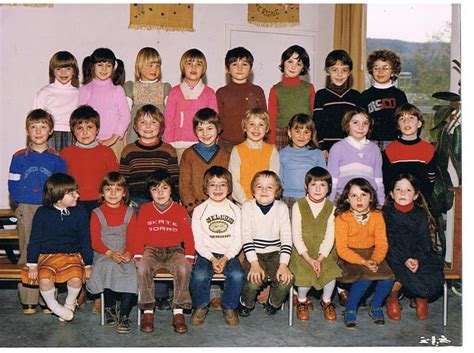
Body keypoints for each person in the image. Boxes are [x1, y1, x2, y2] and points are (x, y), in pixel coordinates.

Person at [8, 109, 67, 314]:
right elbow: (13, 184)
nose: (38, 131)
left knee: (49, 253)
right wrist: (21, 204)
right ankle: (29, 299)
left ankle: (48, 300)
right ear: (27, 130)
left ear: (50, 131)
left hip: (50, 209)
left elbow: (62, 186)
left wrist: (56, 206)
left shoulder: (57, 159)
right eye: (34, 127)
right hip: (27, 209)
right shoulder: (19, 157)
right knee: (26, 251)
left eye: (43, 127)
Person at [21, 173, 93, 322]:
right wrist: (32, 264)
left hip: (71, 254)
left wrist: (87, 264)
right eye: (72, 194)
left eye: (76, 192)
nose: (77, 196)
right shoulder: (42, 213)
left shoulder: (80, 212)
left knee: (76, 277)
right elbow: (34, 240)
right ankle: (54, 307)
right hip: (47, 255)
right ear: (58, 197)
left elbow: (85, 240)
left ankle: (69, 304)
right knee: (45, 280)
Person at [131, 169, 194, 334]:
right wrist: (138, 253)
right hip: (151, 250)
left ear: (171, 190)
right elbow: (139, 233)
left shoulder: (179, 210)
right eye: (155, 189)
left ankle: (178, 312)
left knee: (183, 268)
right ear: (149, 192)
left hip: (175, 250)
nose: (160, 193)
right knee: (143, 267)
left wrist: (189, 255)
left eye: (164, 188)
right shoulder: (145, 209)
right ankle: (148, 311)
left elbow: (188, 234)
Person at [383, 174, 444, 321]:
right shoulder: (385, 214)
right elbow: (387, 242)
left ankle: (421, 298)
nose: (403, 193)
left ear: (416, 195)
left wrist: (416, 259)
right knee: (396, 271)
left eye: (408, 190)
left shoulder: (420, 214)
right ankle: (391, 298)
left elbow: (424, 242)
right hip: (393, 254)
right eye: (398, 189)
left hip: (417, 253)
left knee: (431, 267)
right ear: (391, 194)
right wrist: (404, 259)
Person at [334, 178, 394, 329]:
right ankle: (350, 308)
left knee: (388, 279)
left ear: (371, 197)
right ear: (347, 199)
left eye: (363, 195)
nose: (359, 199)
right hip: (350, 256)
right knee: (365, 278)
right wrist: (363, 262)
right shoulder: (342, 218)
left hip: (373, 254)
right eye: (353, 196)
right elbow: (342, 249)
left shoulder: (377, 216)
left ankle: (375, 306)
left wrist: (375, 259)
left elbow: (382, 243)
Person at [190, 166, 245, 326]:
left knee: (237, 275)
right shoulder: (199, 210)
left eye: (222, 184)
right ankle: (200, 305)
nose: (218, 189)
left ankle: (229, 306)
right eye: (213, 184)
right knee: (199, 275)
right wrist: (212, 258)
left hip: (229, 253)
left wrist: (227, 257)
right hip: (206, 254)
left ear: (229, 188)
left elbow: (238, 239)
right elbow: (197, 240)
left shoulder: (236, 210)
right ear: (206, 189)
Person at [86, 172, 138, 334]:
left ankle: (124, 315)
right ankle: (109, 307)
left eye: (118, 189)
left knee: (130, 270)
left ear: (124, 193)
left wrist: (129, 253)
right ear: (102, 192)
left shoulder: (130, 213)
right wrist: (110, 253)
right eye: (109, 189)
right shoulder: (96, 213)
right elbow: (95, 241)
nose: (113, 194)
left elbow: (133, 238)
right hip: (103, 253)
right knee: (108, 267)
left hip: (124, 252)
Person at [289, 167, 342, 321]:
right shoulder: (299, 205)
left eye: (323, 185)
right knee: (304, 275)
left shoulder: (332, 207)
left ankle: (326, 301)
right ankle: (302, 300)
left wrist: (319, 259)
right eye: (313, 184)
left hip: (324, 252)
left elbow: (330, 236)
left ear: (329, 188)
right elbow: (296, 235)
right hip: (302, 252)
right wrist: (309, 259)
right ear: (306, 186)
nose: (318, 189)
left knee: (330, 274)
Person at [238, 171, 293, 317]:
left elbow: (287, 237)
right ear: (253, 190)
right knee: (254, 280)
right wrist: (254, 264)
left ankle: (273, 303)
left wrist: (284, 264)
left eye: (269, 187)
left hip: (275, 252)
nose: (264, 190)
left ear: (276, 192)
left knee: (285, 280)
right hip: (254, 253)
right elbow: (246, 237)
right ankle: (245, 303)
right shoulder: (248, 207)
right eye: (259, 187)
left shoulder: (281, 208)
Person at [61, 105, 119, 218]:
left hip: (100, 202)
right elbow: (62, 183)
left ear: (97, 130)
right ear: (73, 130)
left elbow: (114, 180)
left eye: (89, 127)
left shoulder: (107, 152)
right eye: (80, 128)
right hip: (74, 203)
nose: (85, 132)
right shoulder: (66, 153)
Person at [120, 104, 179, 210]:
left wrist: (176, 199)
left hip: (162, 200)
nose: (148, 126)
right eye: (143, 122)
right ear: (135, 127)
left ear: (161, 127)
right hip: (136, 200)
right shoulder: (128, 150)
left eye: (153, 122)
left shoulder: (168, 150)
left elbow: (174, 179)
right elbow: (124, 180)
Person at [163, 48, 218, 161]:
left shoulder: (209, 93)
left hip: (203, 144)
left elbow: (215, 122)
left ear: (204, 69)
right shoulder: (174, 92)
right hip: (178, 145)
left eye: (198, 64)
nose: (194, 67)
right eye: (189, 63)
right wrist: (168, 145)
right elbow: (168, 121)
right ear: (183, 67)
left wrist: (214, 144)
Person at [79, 48, 130, 159]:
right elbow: (81, 117)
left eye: (108, 65)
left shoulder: (118, 90)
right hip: (91, 141)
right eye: (100, 65)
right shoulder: (86, 90)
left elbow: (125, 116)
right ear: (93, 66)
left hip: (115, 141)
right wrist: (91, 137)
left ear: (113, 68)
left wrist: (114, 137)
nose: (104, 69)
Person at [327, 107, 385, 205]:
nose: (360, 127)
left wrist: (381, 202)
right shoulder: (337, 148)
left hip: (367, 199)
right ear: (347, 124)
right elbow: (332, 180)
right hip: (343, 198)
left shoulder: (374, 149)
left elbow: (378, 179)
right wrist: (330, 203)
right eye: (355, 123)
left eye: (365, 123)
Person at [179, 108, 230, 215]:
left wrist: (225, 208)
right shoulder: (188, 154)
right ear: (195, 131)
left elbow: (229, 185)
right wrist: (193, 210)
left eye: (209, 128)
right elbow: (184, 186)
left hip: (221, 208)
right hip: (196, 210)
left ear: (218, 129)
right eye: (200, 129)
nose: (205, 133)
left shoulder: (225, 155)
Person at [216, 46, 267, 151]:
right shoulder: (221, 92)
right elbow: (218, 122)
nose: (239, 68)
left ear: (250, 69)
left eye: (244, 64)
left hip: (253, 143)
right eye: (235, 64)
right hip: (227, 145)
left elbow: (264, 120)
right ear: (227, 69)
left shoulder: (257, 91)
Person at [382, 103, 436, 200]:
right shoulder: (390, 150)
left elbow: (431, 181)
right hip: (395, 202)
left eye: (411, 118)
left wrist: (424, 201)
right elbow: (386, 181)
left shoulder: (429, 150)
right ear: (398, 126)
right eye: (402, 119)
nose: (406, 122)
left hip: (420, 202)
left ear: (419, 123)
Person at [313, 49, 361, 155]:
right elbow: (317, 124)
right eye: (334, 70)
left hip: (351, 148)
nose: (339, 74)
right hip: (327, 150)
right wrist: (322, 148)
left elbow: (360, 125)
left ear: (349, 73)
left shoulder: (356, 96)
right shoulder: (321, 95)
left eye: (344, 70)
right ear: (328, 71)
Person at [229, 107, 279, 206]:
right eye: (252, 124)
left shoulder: (272, 150)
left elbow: (274, 180)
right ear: (244, 127)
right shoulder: (237, 150)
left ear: (266, 129)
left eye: (261, 124)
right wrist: (245, 202)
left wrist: (264, 201)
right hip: (243, 204)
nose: (256, 128)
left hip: (266, 202)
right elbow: (234, 181)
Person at [268, 45, 315, 149]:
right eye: (290, 62)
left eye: (298, 64)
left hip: (304, 134)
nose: (293, 67)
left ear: (303, 68)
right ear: (282, 62)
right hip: (282, 135)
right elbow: (271, 119)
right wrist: (271, 145)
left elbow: (313, 115)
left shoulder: (309, 88)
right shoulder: (275, 90)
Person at [360, 49, 408, 151]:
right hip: (370, 142)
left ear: (393, 72)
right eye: (376, 68)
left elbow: (404, 120)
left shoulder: (399, 95)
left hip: (393, 141)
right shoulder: (365, 95)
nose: (380, 72)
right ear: (371, 71)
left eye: (385, 68)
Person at [33, 51, 80, 151]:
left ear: (74, 71)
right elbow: (36, 118)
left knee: (69, 165)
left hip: (73, 134)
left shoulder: (78, 94)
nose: (63, 73)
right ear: (52, 71)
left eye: (68, 69)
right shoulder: (44, 92)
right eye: (59, 69)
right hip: (50, 134)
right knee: (49, 164)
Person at [124, 47, 171, 144]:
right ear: (139, 66)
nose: (154, 69)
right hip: (135, 138)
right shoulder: (131, 87)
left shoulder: (165, 88)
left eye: (157, 66)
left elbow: (171, 115)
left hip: (160, 139)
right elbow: (125, 116)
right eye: (150, 65)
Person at [279, 113, 326, 212]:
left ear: (311, 134)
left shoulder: (317, 154)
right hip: (287, 198)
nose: (302, 136)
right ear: (289, 133)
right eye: (297, 131)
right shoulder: (281, 154)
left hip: (310, 198)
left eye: (306, 132)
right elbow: (278, 180)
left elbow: (323, 179)